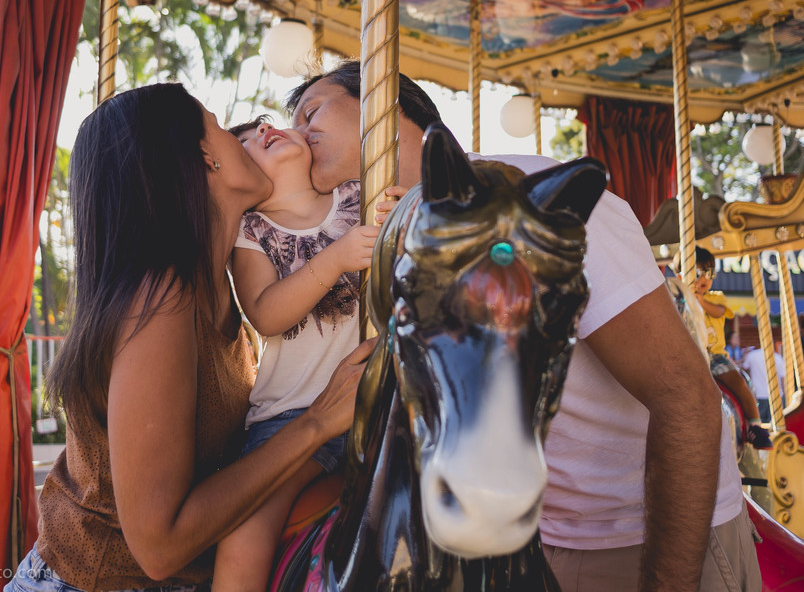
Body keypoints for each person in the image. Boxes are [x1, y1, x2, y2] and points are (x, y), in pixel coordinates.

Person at [285, 61, 760, 592]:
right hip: (523, 539)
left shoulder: (538, 204)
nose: (297, 134)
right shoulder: (382, 244)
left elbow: (685, 397)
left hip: (645, 532)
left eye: (310, 112)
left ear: (381, 104)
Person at [11, 84, 374, 592]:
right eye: (223, 128)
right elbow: (160, 548)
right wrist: (316, 423)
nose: (251, 132)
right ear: (206, 160)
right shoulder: (159, 304)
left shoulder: (221, 290)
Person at [211, 116, 378, 592]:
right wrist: (338, 256)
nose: (265, 130)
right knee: (246, 527)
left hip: (380, 402)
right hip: (291, 415)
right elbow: (265, 313)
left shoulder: (358, 195)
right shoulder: (252, 231)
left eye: (266, 125)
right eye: (248, 143)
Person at [687, 248, 772, 450]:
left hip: (713, 356)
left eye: (709, 273)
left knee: (738, 381)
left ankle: (755, 426)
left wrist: (699, 300)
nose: (704, 278)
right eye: (698, 273)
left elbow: (719, 312)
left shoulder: (716, 297)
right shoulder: (677, 299)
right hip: (687, 356)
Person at [740, 342, 786, 424]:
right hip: (776, 395)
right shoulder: (778, 358)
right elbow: (783, 379)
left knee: (759, 422)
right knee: (775, 423)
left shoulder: (752, 355)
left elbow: (743, 369)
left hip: (758, 394)